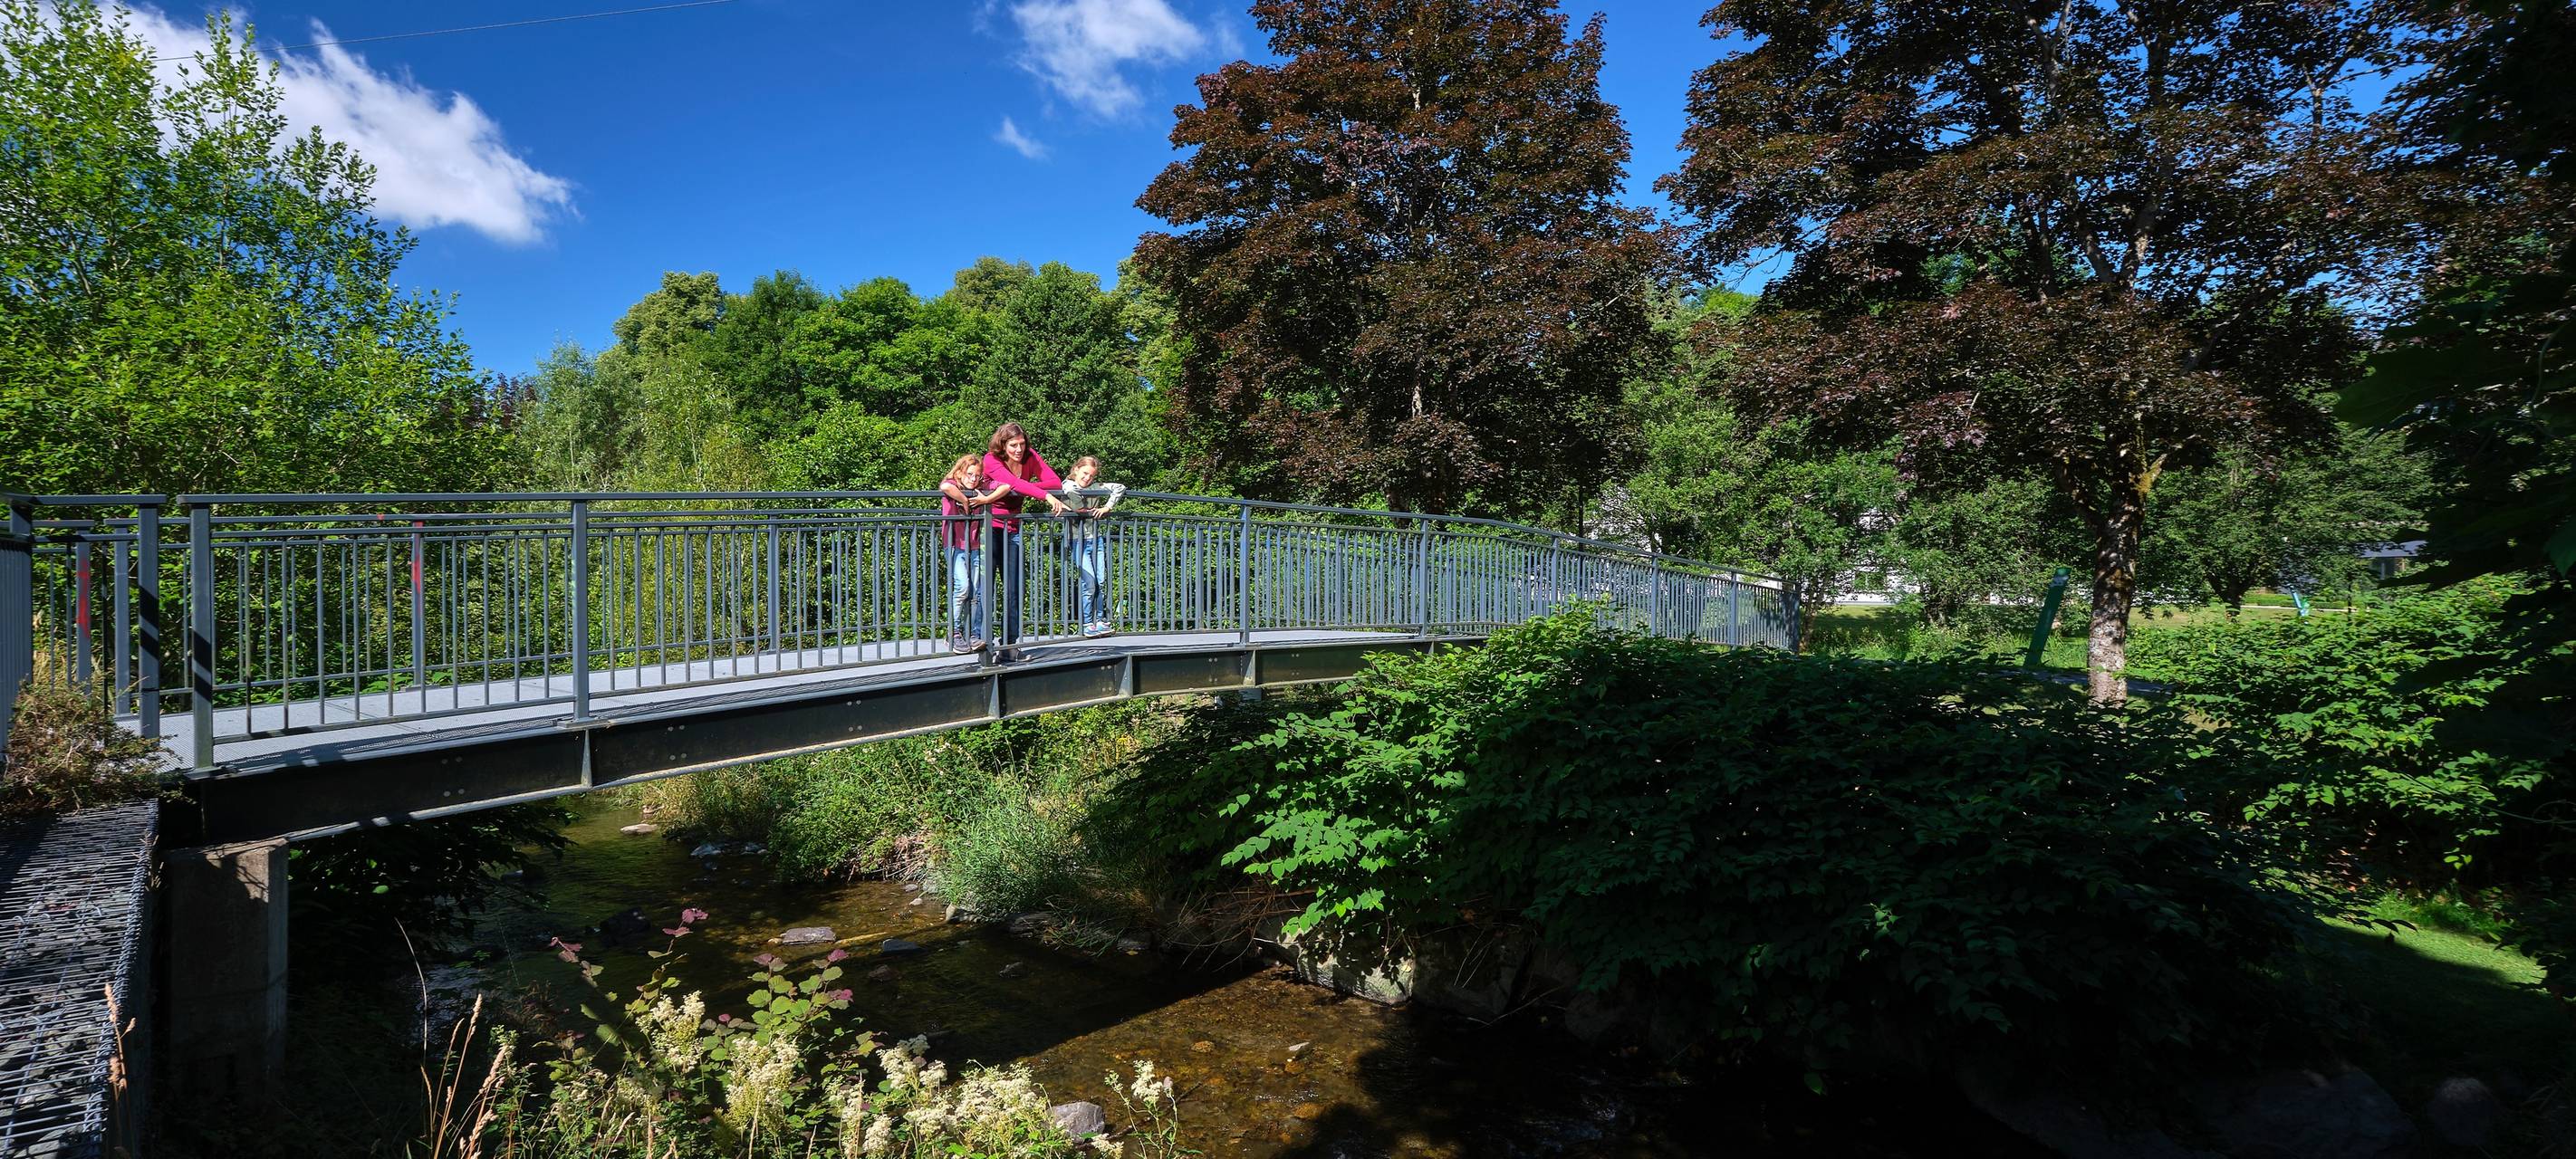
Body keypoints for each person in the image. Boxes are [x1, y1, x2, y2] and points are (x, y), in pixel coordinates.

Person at [980, 422, 1069, 662]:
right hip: (988, 529)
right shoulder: (991, 459)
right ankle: (982, 645)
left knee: (1014, 590)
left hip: (1013, 530)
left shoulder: (1030, 456)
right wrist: (1041, 494)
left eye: (1021, 444)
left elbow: (1055, 482)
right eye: (1013, 445)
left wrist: (1020, 488)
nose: (1019, 449)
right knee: (984, 589)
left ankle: (1009, 647)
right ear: (1002, 445)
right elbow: (1019, 484)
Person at [937, 454, 1009, 654]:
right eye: (969, 474)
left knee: (977, 590)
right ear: (960, 473)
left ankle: (974, 634)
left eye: (977, 475)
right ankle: (953, 632)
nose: (974, 479)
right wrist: (964, 500)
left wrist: (985, 499)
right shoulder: (954, 484)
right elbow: (945, 486)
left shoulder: (981, 487)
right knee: (962, 587)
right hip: (955, 544)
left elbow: (1006, 486)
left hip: (975, 545)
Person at [1057, 455, 1125, 637]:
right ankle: (1087, 623)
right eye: (1085, 473)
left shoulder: (1095, 488)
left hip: (1096, 540)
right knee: (1089, 582)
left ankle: (1100, 621)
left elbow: (1119, 488)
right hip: (1077, 540)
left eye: (1091, 476)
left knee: (1100, 581)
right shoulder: (1068, 485)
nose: (1087, 478)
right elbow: (1071, 491)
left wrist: (1107, 507)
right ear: (1076, 469)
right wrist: (1080, 509)